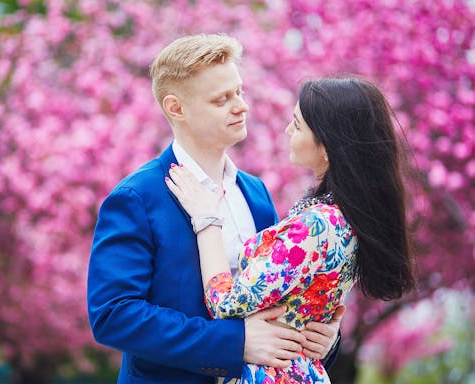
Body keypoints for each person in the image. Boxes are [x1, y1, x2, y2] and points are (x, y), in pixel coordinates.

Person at [87, 34, 342, 384]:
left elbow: (277, 295)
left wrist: (321, 336)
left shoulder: (256, 193)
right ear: (176, 108)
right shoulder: (136, 197)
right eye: (222, 99)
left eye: (239, 92)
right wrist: (234, 344)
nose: (241, 106)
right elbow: (113, 315)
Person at [165, 76, 417, 383]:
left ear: (327, 147)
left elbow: (225, 303)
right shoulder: (346, 217)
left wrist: (206, 218)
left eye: (297, 125)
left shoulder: (317, 226)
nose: (287, 130)